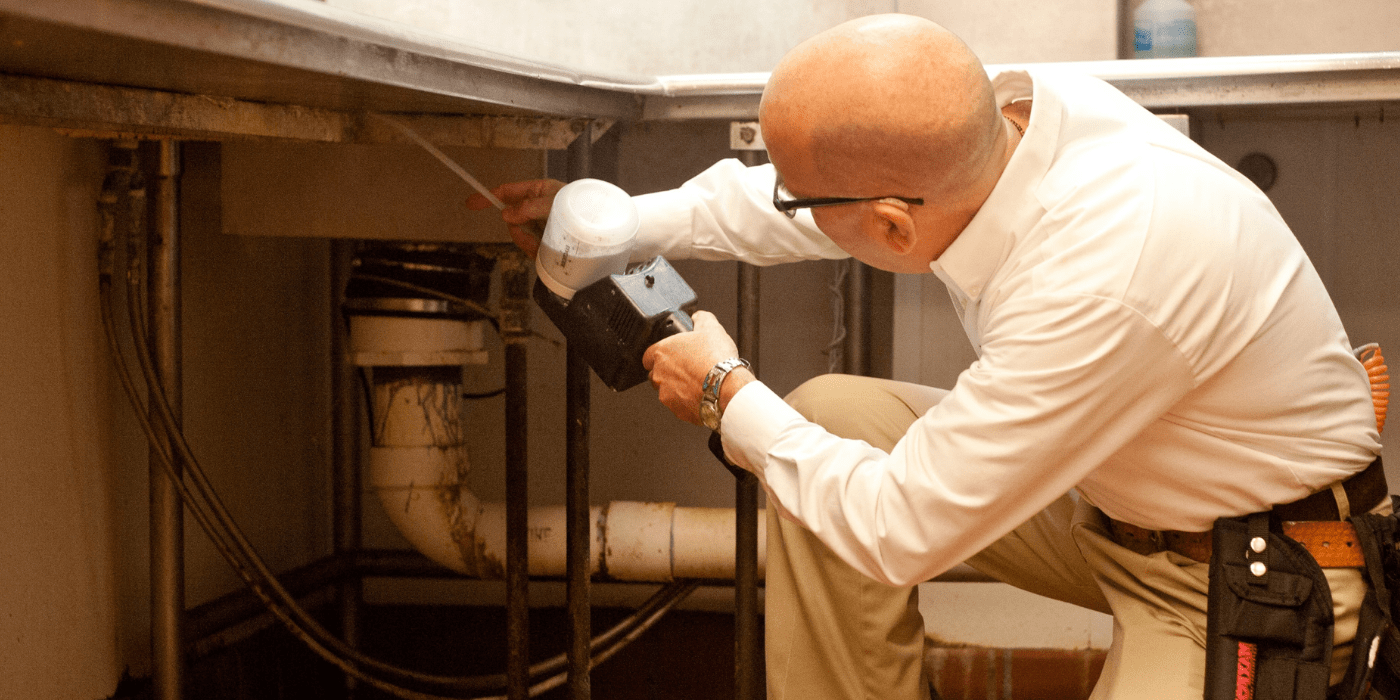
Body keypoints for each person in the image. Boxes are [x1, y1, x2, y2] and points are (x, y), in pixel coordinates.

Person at [471, 14, 1386, 700]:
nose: (783, 202)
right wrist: (625, 222)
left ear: (896, 224)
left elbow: (902, 530)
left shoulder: (1106, 275)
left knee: (816, 456)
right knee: (830, 415)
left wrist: (723, 392)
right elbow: (810, 194)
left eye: (804, 200)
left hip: (1251, 570)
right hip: (1119, 502)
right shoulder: (1017, 122)